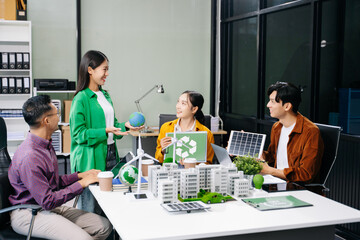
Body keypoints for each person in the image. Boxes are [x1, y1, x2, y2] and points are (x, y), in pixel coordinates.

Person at [8, 95, 112, 240]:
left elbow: (53, 181)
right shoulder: (30, 156)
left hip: (45, 206)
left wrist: (80, 175)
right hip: (28, 213)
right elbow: (48, 200)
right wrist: (81, 184)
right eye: (57, 114)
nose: (59, 117)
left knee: (104, 226)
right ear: (46, 120)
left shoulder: (45, 144)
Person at [70, 50, 142, 212]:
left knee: (109, 204)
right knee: (90, 208)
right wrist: (105, 131)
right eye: (104, 69)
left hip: (110, 153)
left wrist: (126, 126)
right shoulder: (81, 98)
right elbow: (78, 134)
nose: (107, 74)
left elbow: (112, 124)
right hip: (89, 159)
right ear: (90, 70)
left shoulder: (105, 95)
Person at [260, 82, 324, 183]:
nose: (268, 105)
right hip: (277, 183)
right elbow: (273, 157)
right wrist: (259, 153)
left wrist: (270, 171)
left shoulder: (310, 132)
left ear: (287, 106)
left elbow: (306, 174)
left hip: (297, 189)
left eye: (272, 101)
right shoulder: (277, 127)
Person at [155, 90, 214, 165]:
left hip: (193, 174)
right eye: (178, 102)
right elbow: (158, 159)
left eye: (183, 103)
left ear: (194, 109)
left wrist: (191, 164)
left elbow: (208, 163)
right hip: (170, 173)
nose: (178, 106)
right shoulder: (166, 128)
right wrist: (163, 150)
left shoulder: (207, 134)